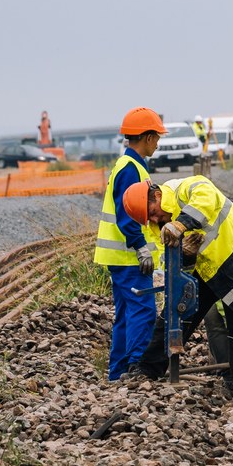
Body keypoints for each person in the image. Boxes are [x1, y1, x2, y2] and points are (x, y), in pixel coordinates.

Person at [126, 175, 233, 401]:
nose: (155, 219)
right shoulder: (158, 225)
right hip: (206, 269)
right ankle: (148, 369)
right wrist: (185, 257)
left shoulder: (184, 188)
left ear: (158, 195)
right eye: (149, 218)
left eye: (152, 212)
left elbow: (207, 196)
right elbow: (168, 262)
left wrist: (181, 224)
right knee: (177, 310)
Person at [95, 107, 164, 381]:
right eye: (156, 137)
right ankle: (136, 368)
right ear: (146, 137)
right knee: (143, 311)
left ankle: (118, 372)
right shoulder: (130, 169)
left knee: (126, 315)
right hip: (128, 258)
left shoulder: (133, 166)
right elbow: (128, 214)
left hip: (123, 258)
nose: (158, 143)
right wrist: (140, 247)